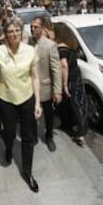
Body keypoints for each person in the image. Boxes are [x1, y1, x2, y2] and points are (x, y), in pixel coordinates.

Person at [0, 19, 42, 193]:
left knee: (28, 137)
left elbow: (35, 77)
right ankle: (9, 147)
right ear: (5, 34)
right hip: (7, 99)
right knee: (10, 133)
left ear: (21, 32)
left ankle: (27, 172)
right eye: (10, 31)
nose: (14, 34)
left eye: (17, 30)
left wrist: (37, 102)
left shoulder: (30, 51)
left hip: (26, 98)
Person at [29, 16, 62, 151]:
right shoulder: (27, 43)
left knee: (48, 115)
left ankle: (49, 136)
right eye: (31, 26)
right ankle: (34, 136)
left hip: (46, 87)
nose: (32, 29)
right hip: (30, 86)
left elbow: (56, 69)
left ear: (42, 28)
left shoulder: (50, 45)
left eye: (35, 27)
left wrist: (57, 90)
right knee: (31, 114)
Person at [53, 23, 88, 147]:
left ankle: (80, 132)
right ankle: (76, 127)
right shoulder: (72, 44)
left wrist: (65, 85)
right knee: (78, 103)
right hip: (76, 75)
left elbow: (64, 66)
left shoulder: (61, 48)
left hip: (69, 79)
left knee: (74, 104)